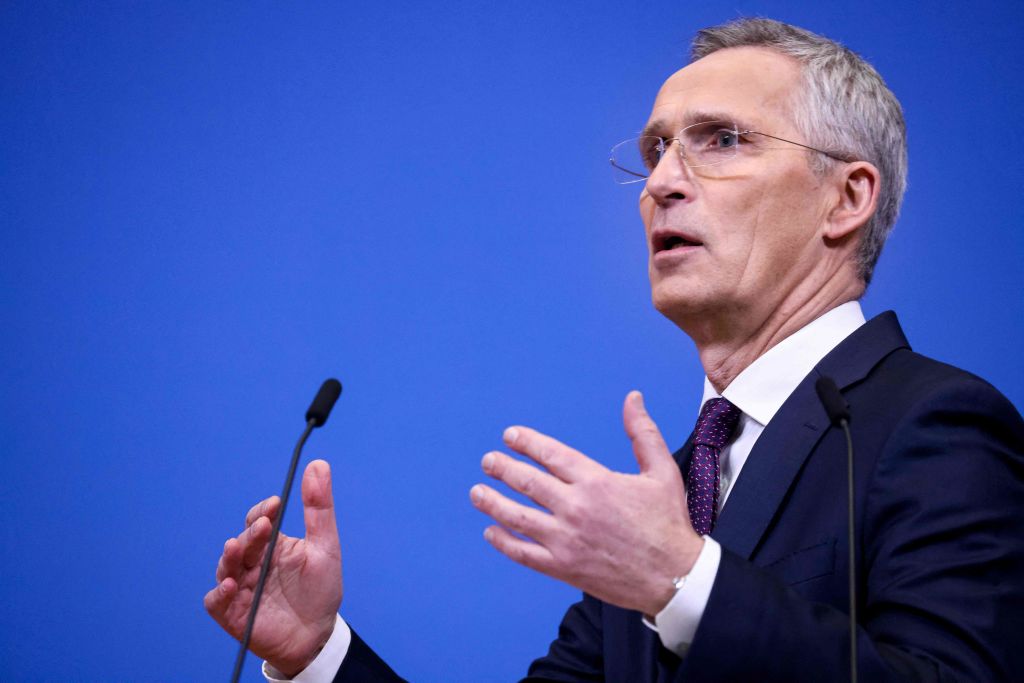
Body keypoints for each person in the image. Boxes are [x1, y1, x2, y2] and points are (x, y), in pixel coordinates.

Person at [204, 17, 1024, 682]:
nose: (663, 181)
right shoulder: (663, 505)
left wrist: (684, 585)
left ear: (846, 197)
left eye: (722, 140)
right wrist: (318, 656)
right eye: (655, 150)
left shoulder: (934, 424)